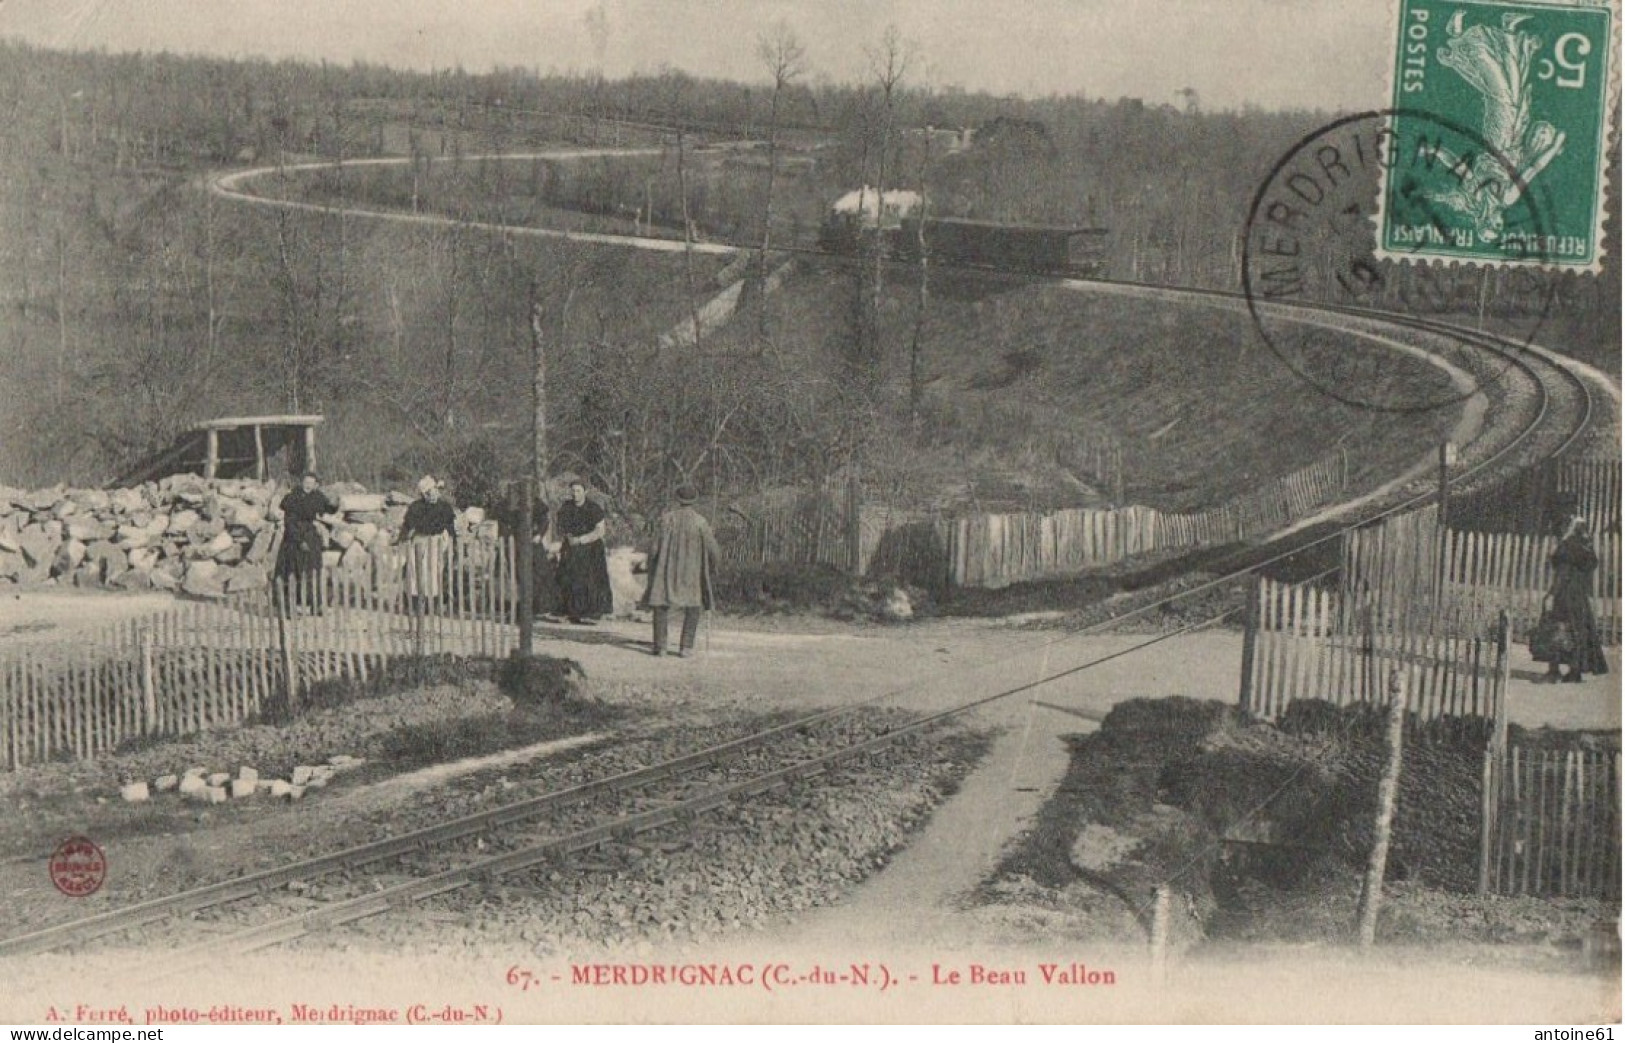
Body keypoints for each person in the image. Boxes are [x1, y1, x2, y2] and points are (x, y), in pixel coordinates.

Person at [642, 484, 721, 657]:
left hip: (666, 568)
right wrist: (715, 565)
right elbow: (713, 549)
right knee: (693, 606)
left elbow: (654, 548)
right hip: (691, 571)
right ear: (695, 500)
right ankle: (686, 647)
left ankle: (660, 646)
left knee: (660, 605)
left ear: (677, 499)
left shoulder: (666, 519)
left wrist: (651, 564)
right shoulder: (700, 522)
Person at [1535, 514, 1609, 683]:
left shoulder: (1566, 547)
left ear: (1568, 527)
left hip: (1564, 594)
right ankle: (1575, 671)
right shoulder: (1584, 546)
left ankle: (1554, 671)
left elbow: (1563, 574)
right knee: (1577, 631)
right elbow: (1588, 567)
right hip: (1579, 595)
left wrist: (1551, 594)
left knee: (1557, 629)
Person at [272, 472, 336, 614]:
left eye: (311, 483)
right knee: (290, 571)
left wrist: (335, 503)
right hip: (294, 537)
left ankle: (316, 604)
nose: (308, 485)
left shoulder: (316, 496)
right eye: (306, 482)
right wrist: (299, 540)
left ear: (315, 485)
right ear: (301, 483)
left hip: (311, 535)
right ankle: (288, 607)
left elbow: (329, 508)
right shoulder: (292, 498)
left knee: (314, 570)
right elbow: (289, 522)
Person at [555, 479, 612, 624]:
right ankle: (571, 611)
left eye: (578, 491)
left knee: (590, 579)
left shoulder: (593, 508)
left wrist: (582, 539)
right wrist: (569, 537)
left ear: (585, 492)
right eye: (573, 491)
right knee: (569, 577)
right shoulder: (566, 507)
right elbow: (561, 526)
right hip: (572, 547)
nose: (575, 494)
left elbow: (600, 531)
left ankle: (592, 612)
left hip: (591, 548)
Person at [399, 475, 457, 610]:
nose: (432, 494)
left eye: (434, 490)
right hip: (419, 541)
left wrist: (452, 544)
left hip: (437, 542)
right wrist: (403, 540)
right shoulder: (416, 507)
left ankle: (432, 604)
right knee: (416, 572)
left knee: (434, 572)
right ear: (423, 494)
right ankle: (416, 603)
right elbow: (407, 526)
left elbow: (450, 527)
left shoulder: (444, 507)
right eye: (427, 492)